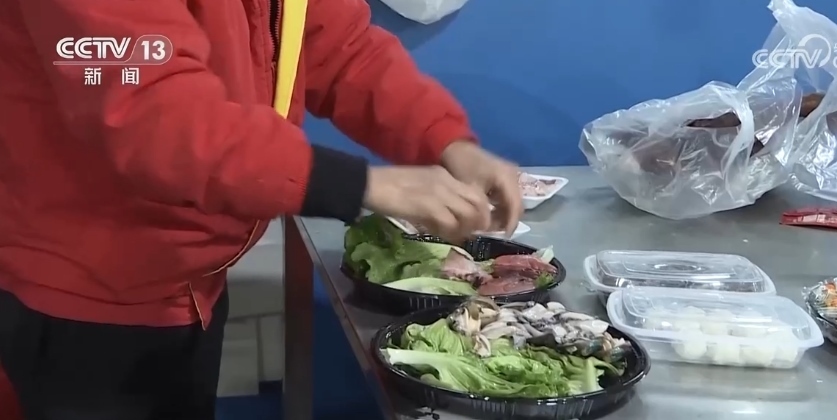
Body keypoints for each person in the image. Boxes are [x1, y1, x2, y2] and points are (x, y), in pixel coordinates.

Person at [0, 0, 522, 419]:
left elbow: (339, 49)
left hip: (187, 280)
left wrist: (446, 140)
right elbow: (154, 113)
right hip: (82, 296)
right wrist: (362, 183)